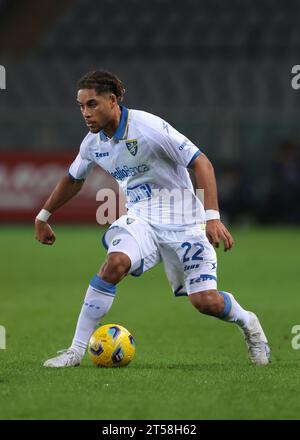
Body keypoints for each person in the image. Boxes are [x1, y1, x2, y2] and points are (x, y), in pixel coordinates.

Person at [35, 70, 270, 368]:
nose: (86, 113)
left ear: (112, 99)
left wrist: (212, 218)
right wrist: (43, 216)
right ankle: (75, 350)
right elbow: (73, 179)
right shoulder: (92, 143)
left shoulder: (149, 128)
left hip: (186, 225)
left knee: (205, 302)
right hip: (142, 219)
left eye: (92, 104)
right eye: (81, 106)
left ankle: (248, 322)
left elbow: (202, 163)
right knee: (115, 263)